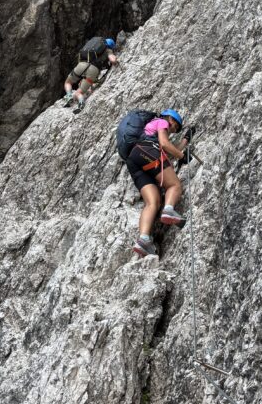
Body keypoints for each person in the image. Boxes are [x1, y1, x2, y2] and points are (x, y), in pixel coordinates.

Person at [126, 109, 191, 258]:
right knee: (174, 185)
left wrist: (185, 140)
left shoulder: (150, 129)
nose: (173, 130)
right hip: (147, 151)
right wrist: (182, 156)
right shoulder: (161, 122)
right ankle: (169, 209)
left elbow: (168, 149)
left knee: (153, 202)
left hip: (135, 159)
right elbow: (165, 144)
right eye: (175, 127)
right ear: (171, 119)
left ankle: (143, 240)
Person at [63, 36, 118, 111]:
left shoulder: (93, 48)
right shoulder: (108, 50)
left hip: (81, 65)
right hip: (93, 70)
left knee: (68, 82)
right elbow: (112, 59)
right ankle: (81, 101)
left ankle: (69, 96)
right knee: (79, 92)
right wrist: (115, 59)